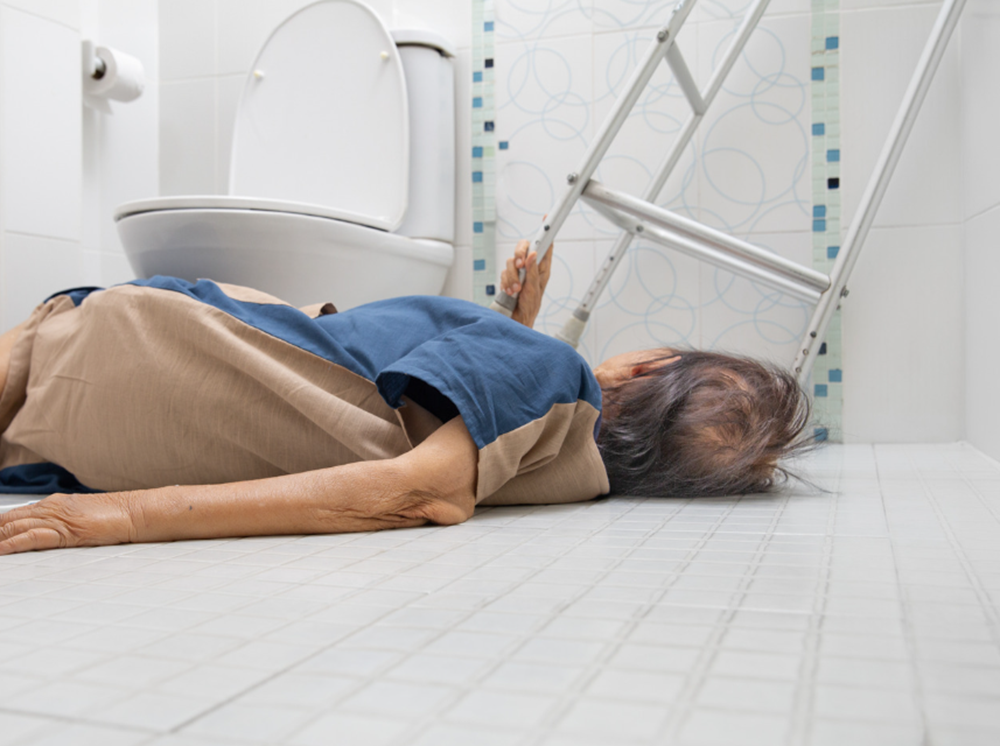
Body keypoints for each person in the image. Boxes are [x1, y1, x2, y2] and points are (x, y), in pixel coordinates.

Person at [0, 241, 810, 555]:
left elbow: (415, 488)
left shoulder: (557, 372)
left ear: (644, 370)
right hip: (90, 441)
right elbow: (437, 420)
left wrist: (126, 517)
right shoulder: (565, 472)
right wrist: (516, 323)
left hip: (133, 340)